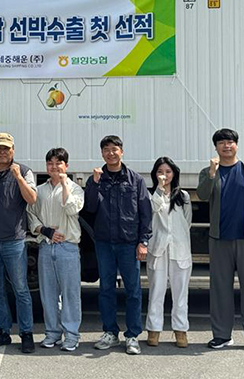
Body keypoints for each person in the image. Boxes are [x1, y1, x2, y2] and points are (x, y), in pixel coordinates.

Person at [197, 128, 244, 353]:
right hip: (220, 239)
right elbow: (203, 195)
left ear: (236, 145)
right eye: (221, 142)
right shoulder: (208, 172)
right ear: (216, 147)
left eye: (230, 142)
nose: (226, 146)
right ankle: (222, 335)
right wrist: (212, 174)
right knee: (220, 289)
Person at [85, 135, 151, 356]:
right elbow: (90, 208)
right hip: (104, 242)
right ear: (102, 153)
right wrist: (95, 184)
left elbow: (145, 212)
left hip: (128, 243)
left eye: (114, 149)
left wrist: (143, 241)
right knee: (106, 289)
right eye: (106, 150)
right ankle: (110, 332)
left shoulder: (135, 180)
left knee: (133, 290)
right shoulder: (96, 179)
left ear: (121, 151)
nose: (110, 153)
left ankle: (132, 335)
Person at [0, 133, 38, 354]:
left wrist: (18, 178)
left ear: (13, 150)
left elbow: (31, 199)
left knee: (21, 289)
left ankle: (26, 333)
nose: (2, 152)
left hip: (14, 241)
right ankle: (2, 331)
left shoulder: (24, 171)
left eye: (6, 148)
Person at [27, 147, 84, 352]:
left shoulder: (76, 189)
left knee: (70, 294)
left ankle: (71, 335)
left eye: (58, 163)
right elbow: (30, 214)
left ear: (66, 166)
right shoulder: (40, 190)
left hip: (68, 247)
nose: (54, 167)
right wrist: (44, 230)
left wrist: (64, 184)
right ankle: (52, 332)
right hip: (46, 246)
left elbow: (71, 208)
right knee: (48, 293)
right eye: (50, 163)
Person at [145, 157, 193, 348]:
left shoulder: (183, 196)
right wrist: (159, 187)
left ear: (174, 173)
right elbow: (153, 209)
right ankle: (154, 329)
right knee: (156, 290)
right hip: (158, 248)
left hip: (180, 248)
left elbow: (187, 221)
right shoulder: (151, 195)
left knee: (180, 292)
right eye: (160, 172)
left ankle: (180, 330)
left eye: (168, 171)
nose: (164, 175)